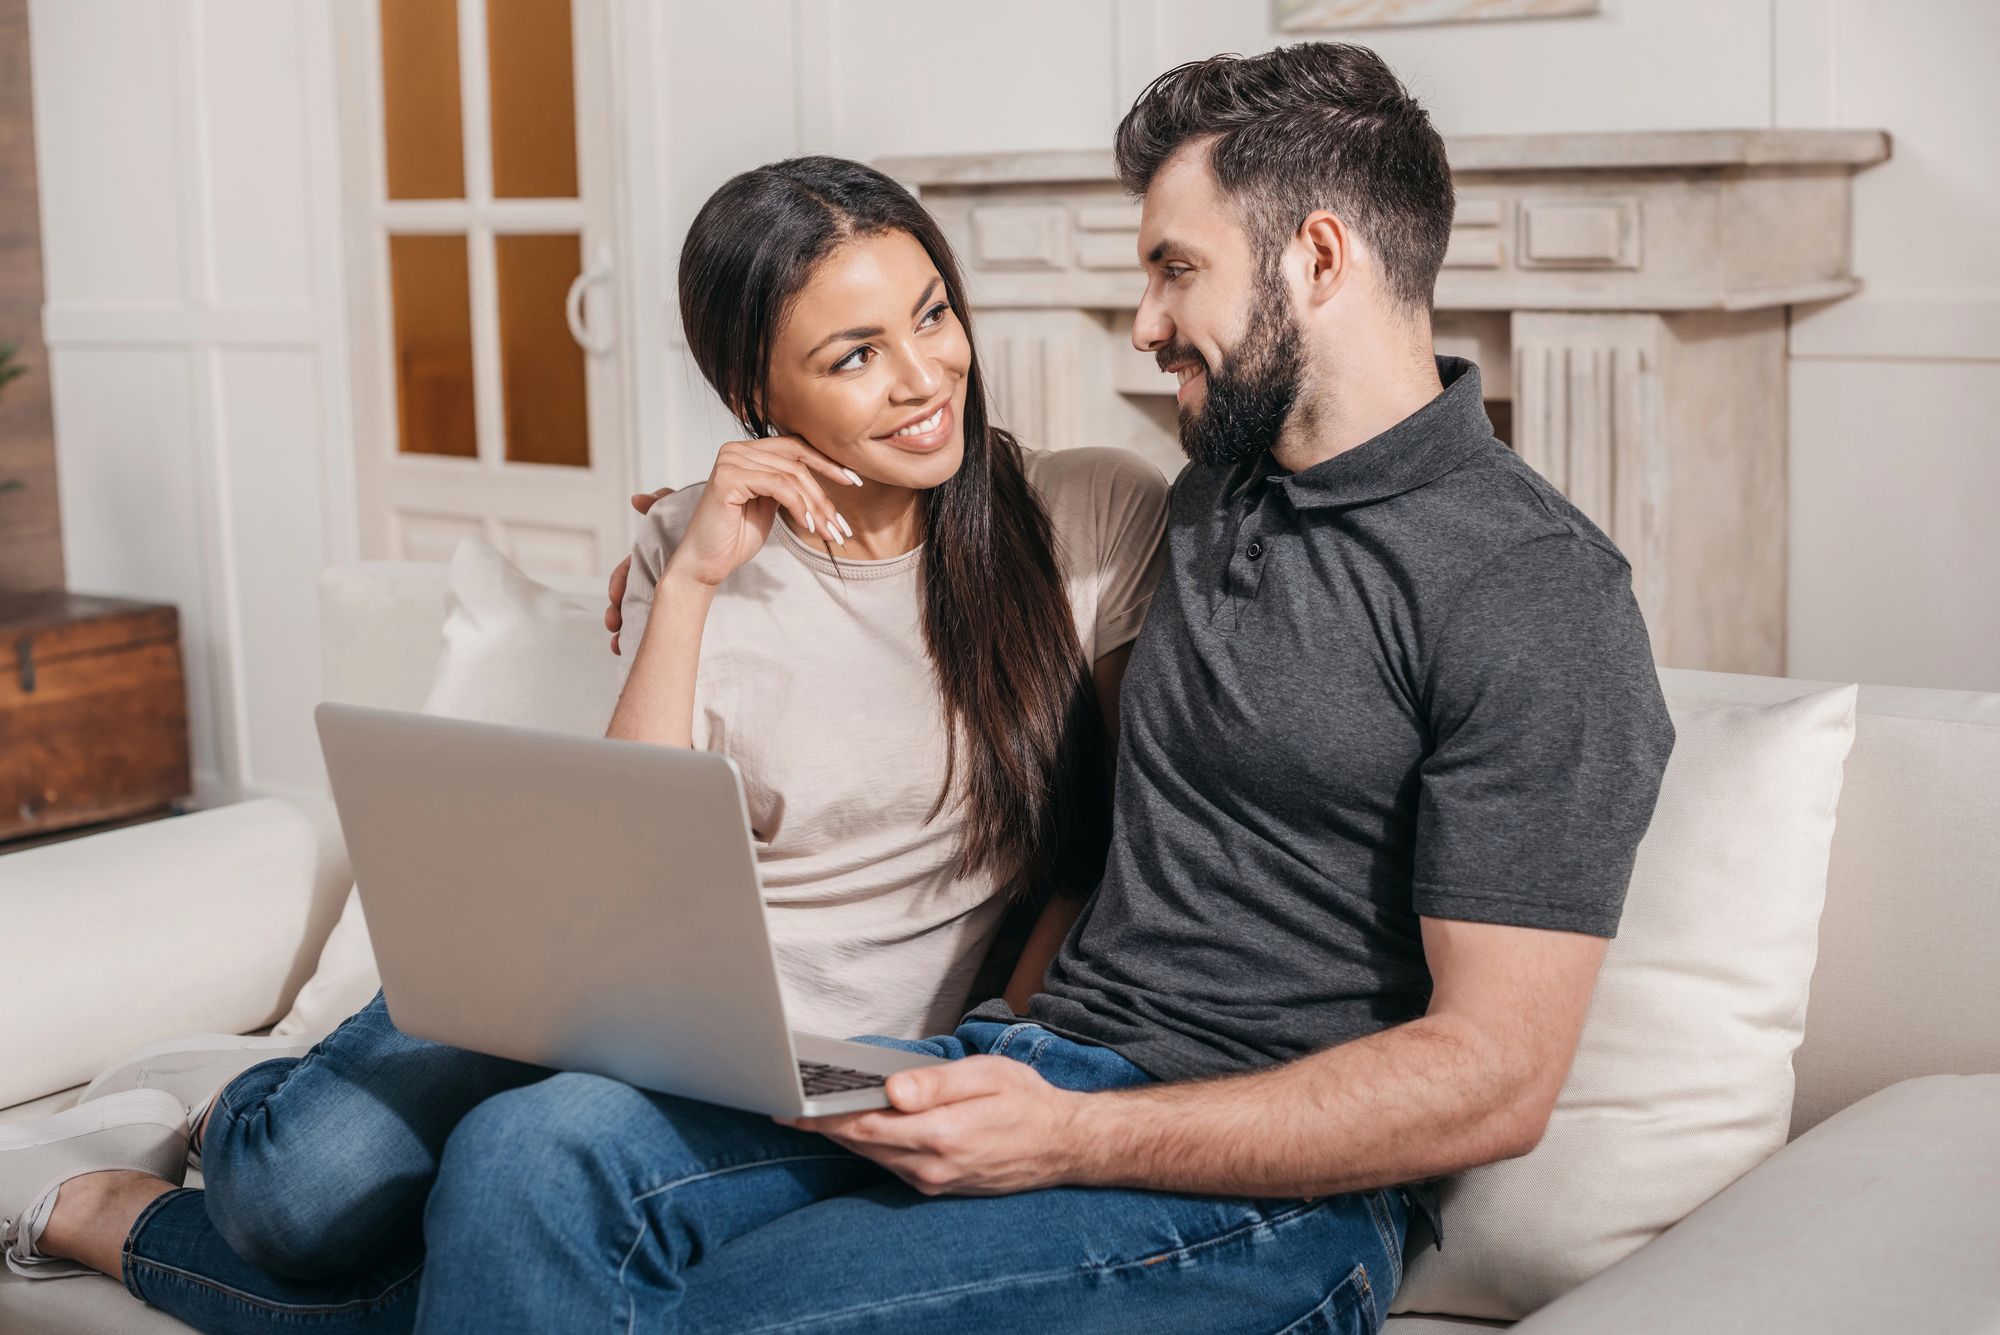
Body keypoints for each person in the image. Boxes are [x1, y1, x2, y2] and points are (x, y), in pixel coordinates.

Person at [401, 41, 1676, 1333]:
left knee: (722, 1308)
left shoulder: (1533, 591)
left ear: (1320, 260)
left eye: (1176, 268)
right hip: (1021, 1059)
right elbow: (938, 517)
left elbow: (1496, 1078)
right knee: (528, 1152)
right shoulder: (1201, 495)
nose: (1146, 322)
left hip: (1274, 1190)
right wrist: (696, 534)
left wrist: (1076, 1134)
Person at [0, 156, 1169, 1331]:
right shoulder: (695, 545)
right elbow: (627, 863)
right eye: (853, 355)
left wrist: (1008, 1040)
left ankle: (124, 1216)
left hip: (814, 1069)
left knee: (487, 1242)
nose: (926, 378)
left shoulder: (1093, 516)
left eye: (931, 315)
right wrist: (694, 578)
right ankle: (232, 1106)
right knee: (290, 1201)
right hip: (606, 996)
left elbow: (1097, 848)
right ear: (755, 397)